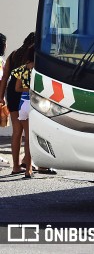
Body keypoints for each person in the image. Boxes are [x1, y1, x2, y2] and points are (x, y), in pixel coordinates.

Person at [0, 32, 34, 176]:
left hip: (12, 94)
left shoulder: (13, 54)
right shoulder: (33, 57)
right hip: (26, 94)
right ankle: (28, 166)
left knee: (16, 132)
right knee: (29, 133)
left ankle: (15, 166)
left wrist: (1, 97)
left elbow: (5, 77)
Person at [12, 45, 34, 178]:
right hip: (33, 104)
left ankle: (21, 166)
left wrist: (26, 89)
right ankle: (29, 169)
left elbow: (17, 88)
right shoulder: (39, 69)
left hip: (22, 104)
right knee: (29, 139)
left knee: (23, 135)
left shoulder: (22, 69)